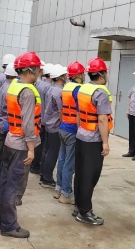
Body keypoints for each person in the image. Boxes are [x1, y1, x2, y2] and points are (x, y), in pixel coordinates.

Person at [0, 52, 42, 238]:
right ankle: (9, 224)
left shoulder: (14, 86)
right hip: (21, 144)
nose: (39, 72)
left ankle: (3, 218)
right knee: (14, 185)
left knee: (4, 181)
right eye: (37, 69)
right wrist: (31, 149)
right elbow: (28, 124)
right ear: (30, 70)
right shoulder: (28, 92)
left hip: (10, 139)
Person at [73, 57, 113, 226]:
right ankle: (85, 211)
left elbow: (78, 113)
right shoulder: (101, 92)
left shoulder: (83, 89)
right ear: (102, 75)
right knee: (90, 176)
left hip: (81, 136)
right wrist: (105, 142)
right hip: (93, 140)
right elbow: (102, 119)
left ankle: (78, 205)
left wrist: (80, 130)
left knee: (80, 173)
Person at [54, 61, 85, 205]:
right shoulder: (78, 89)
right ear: (79, 74)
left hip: (63, 126)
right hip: (72, 129)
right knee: (69, 163)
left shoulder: (66, 87)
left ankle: (59, 188)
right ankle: (66, 193)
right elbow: (80, 111)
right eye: (82, 73)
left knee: (62, 159)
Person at [39, 64, 66, 189]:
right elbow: (61, 111)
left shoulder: (50, 88)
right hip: (55, 125)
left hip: (47, 123)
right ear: (60, 77)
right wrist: (64, 124)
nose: (66, 77)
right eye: (64, 75)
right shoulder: (59, 92)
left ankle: (43, 175)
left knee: (46, 150)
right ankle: (47, 178)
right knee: (52, 153)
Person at [0, 62, 17, 188]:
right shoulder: (10, 89)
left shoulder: (4, 86)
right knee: (3, 155)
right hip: (5, 124)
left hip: (0, 122)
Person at [30, 62, 51, 175]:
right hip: (43, 118)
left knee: (36, 142)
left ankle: (34, 163)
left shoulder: (36, 84)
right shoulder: (47, 86)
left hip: (36, 116)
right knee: (41, 144)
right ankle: (36, 165)